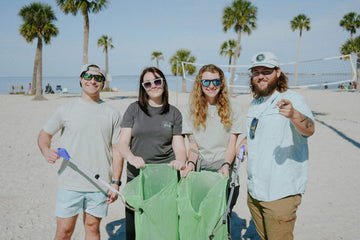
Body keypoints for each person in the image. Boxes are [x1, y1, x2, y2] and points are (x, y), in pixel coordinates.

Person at [37, 63, 123, 240]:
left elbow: (117, 150)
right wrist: (46, 151)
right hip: (70, 183)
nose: (92, 81)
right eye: (88, 76)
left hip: (100, 184)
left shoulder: (112, 113)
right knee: (64, 232)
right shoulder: (65, 109)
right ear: (81, 78)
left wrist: (115, 182)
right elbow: (44, 134)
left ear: (103, 83)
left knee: (92, 228)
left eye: (98, 78)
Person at [238, 52, 315, 240]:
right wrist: (246, 141)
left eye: (266, 71)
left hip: (280, 192)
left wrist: (293, 115)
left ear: (278, 72)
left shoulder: (292, 98)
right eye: (256, 72)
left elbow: (310, 129)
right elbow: (259, 133)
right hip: (256, 191)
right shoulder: (255, 103)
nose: (261, 76)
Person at [118, 66, 186, 240]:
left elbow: (179, 146)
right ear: (143, 88)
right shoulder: (133, 109)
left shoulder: (174, 113)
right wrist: (131, 157)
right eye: (148, 84)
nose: (153, 86)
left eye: (157, 81)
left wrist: (180, 161)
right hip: (137, 176)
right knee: (135, 226)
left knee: (161, 226)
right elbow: (123, 144)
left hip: (165, 178)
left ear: (163, 82)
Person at [181, 64, 243, 239]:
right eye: (206, 81)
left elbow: (232, 143)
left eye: (216, 81)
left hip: (225, 172)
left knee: (222, 222)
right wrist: (191, 163)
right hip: (200, 173)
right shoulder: (189, 110)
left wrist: (225, 165)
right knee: (200, 221)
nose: (211, 85)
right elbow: (193, 145)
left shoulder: (235, 109)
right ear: (200, 84)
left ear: (222, 83)